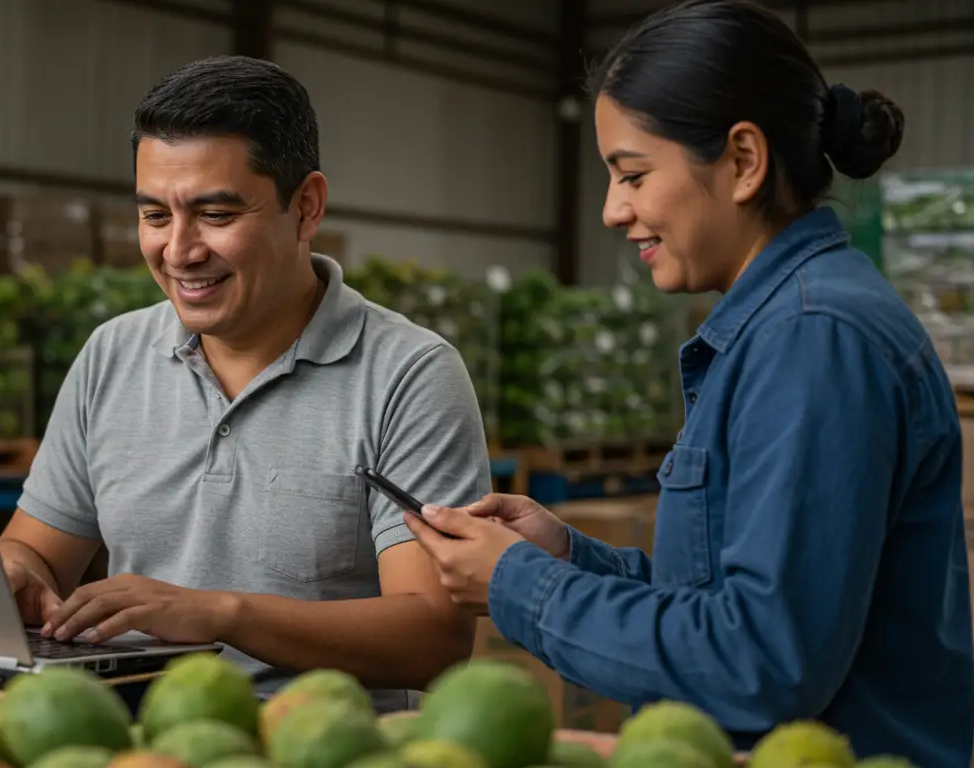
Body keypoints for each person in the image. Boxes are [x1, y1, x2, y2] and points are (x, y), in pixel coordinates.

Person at [403, 0, 973, 764]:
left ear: (743, 161)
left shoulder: (812, 338)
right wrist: (568, 556)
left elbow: (761, 663)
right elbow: (731, 598)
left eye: (633, 175)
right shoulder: (787, 324)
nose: (613, 211)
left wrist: (518, 587)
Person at [0, 54, 489, 711]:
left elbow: (434, 635)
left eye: (216, 215)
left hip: (320, 747)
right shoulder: (113, 354)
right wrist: (17, 573)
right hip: (132, 739)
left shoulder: (408, 376)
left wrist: (223, 614)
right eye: (155, 216)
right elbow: (35, 547)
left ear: (306, 207)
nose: (179, 250)